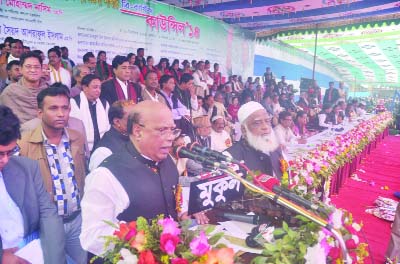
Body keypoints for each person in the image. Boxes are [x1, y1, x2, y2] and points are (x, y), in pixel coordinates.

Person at [80, 101, 180, 256]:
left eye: (173, 130)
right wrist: (141, 242)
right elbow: (93, 236)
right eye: (162, 130)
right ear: (138, 131)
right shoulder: (106, 175)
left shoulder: (168, 161)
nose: (170, 138)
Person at [19, 84, 88, 264]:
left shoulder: (77, 137)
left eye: (65, 108)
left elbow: (83, 174)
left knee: (82, 260)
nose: (60, 113)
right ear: (40, 113)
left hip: (77, 218)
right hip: (47, 223)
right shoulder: (25, 143)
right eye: (53, 108)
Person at [0, 105, 66, 264]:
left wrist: (53, 260)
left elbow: (48, 214)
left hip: (32, 252)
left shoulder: (27, 168)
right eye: (0, 154)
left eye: (10, 152)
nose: (5, 160)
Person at [226, 101, 283, 179]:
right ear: (244, 129)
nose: (265, 127)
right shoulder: (230, 157)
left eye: (267, 121)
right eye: (257, 123)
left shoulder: (276, 149)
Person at [0, 51, 48, 124]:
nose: (33, 70)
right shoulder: (10, 92)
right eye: (28, 67)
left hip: (46, 133)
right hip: (17, 133)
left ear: (41, 69)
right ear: (21, 69)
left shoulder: (49, 91)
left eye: (37, 67)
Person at [89, 100, 135, 171]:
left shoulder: (133, 138)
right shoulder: (103, 152)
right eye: (131, 118)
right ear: (117, 122)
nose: (136, 122)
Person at [70, 74, 110, 151]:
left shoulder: (104, 103)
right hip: (82, 146)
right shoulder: (74, 102)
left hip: (103, 145)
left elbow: (108, 126)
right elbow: (74, 128)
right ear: (85, 88)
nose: (98, 90)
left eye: (100, 87)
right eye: (95, 87)